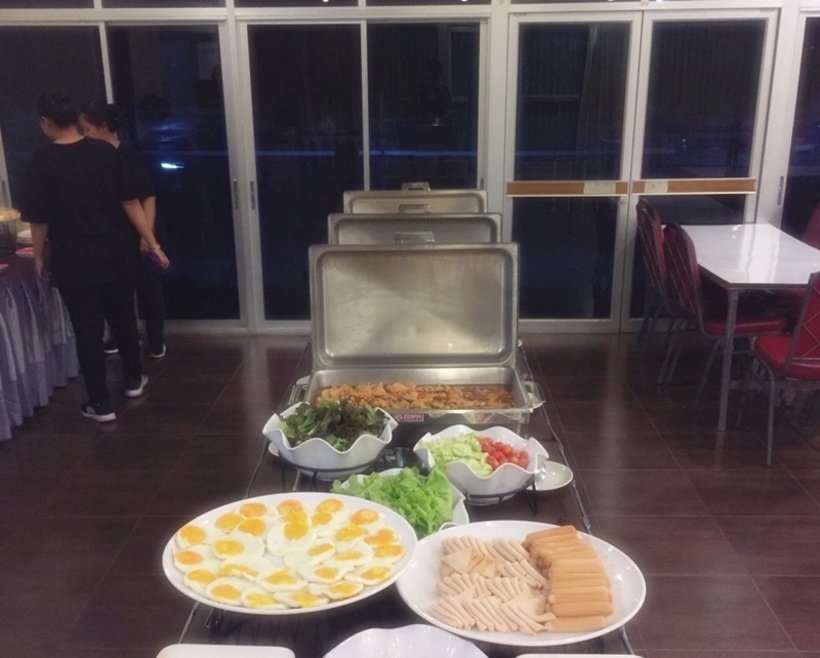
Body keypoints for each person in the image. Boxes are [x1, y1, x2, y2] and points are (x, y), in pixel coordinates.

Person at [19, 91, 170, 423]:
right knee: (123, 319)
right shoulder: (105, 152)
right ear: (76, 119)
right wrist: (152, 242)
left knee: (87, 332)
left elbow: (38, 220)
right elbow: (130, 202)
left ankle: (101, 404)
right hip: (116, 253)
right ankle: (133, 380)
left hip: (74, 259)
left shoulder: (40, 162)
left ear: (45, 123)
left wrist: (39, 255)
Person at [80, 100, 167, 359]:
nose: (85, 135)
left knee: (148, 287)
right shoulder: (93, 157)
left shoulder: (127, 154)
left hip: (138, 230)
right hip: (112, 233)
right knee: (117, 291)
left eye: (87, 129)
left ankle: (156, 340)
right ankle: (123, 337)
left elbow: (148, 196)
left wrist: (146, 235)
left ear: (103, 127)